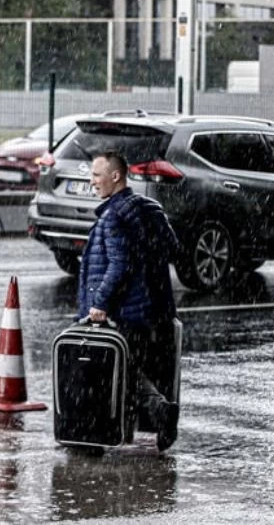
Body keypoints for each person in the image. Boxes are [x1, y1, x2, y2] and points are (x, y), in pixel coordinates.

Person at [78, 151, 182, 452]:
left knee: (119, 370)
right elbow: (171, 250)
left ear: (115, 176)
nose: (92, 181)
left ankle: (158, 411)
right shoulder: (150, 209)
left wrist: (100, 302)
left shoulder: (113, 217)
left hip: (124, 311)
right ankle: (126, 432)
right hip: (153, 308)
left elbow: (119, 265)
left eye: (97, 175)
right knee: (135, 367)